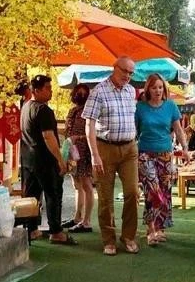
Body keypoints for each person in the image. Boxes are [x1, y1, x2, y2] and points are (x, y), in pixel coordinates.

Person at [82, 56, 139, 256]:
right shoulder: (98, 92)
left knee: (133, 193)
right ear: (114, 68)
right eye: (124, 71)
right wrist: (94, 155)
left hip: (130, 148)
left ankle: (129, 236)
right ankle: (109, 240)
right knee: (106, 197)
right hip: (105, 148)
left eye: (131, 73)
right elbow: (89, 125)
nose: (128, 76)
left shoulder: (131, 91)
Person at [20, 74, 77, 245]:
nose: (51, 91)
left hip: (28, 159)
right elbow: (48, 137)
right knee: (53, 194)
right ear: (36, 90)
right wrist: (60, 159)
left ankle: (31, 229)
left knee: (31, 196)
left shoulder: (26, 107)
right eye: (47, 88)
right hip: (44, 159)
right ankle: (56, 231)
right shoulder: (43, 110)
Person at [135, 73, 189, 246]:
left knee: (164, 191)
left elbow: (179, 130)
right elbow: (134, 132)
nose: (157, 90)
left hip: (165, 154)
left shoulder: (170, 106)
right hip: (145, 153)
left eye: (160, 87)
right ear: (148, 89)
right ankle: (150, 230)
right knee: (153, 191)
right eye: (154, 87)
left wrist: (185, 149)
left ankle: (160, 228)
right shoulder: (140, 108)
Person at [61, 84, 94, 233]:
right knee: (77, 185)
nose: (80, 95)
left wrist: (78, 137)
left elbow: (92, 133)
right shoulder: (72, 110)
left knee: (87, 185)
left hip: (84, 152)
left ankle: (86, 221)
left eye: (83, 93)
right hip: (72, 151)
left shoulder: (89, 112)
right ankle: (77, 217)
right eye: (78, 93)